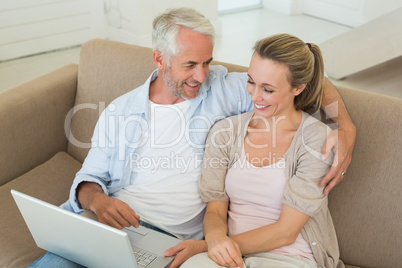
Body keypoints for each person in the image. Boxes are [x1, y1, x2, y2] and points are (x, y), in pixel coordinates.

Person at [29, 8, 354, 268]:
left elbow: (301, 76)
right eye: (190, 65)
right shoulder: (121, 111)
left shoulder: (223, 90)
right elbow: (89, 180)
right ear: (160, 59)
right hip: (114, 225)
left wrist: (345, 125)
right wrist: (99, 202)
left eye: (207, 62)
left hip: (171, 239)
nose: (201, 75)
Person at [182, 34, 344, 268]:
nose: (254, 96)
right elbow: (216, 208)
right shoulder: (226, 132)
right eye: (250, 81)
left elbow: (286, 232)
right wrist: (216, 239)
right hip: (231, 256)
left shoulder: (316, 140)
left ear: (298, 87)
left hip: (291, 257)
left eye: (267, 89)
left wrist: (206, 245)